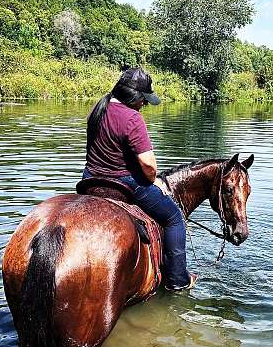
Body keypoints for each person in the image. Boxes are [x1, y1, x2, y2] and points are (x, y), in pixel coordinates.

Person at [82, 67, 196, 291]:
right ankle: (177, 280)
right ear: (134, 97)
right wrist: (155, 181)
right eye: (144, 99)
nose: (144, 105)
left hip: (90, 181)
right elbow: (149, 166)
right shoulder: (132, 118)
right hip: (122, 184)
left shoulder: (98, 108)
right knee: (174, 218)